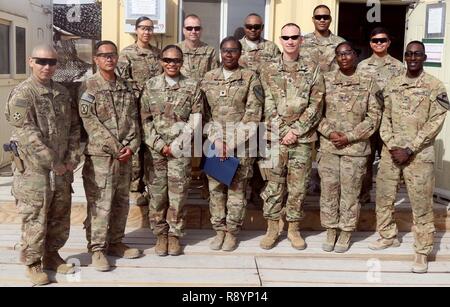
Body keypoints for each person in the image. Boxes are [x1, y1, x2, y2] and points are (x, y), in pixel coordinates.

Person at [369, 41, 448, 273]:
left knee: (421, 204)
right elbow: (384, 118)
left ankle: (422, 251)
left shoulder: (435, 86)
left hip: (419, 155)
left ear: (424, 57)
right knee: (384, 196)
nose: (413, 58)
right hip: (390, 153)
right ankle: (387, 235)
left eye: (417, 54)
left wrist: (410, 149)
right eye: (409, 54)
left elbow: (436, 121)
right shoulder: (393, 85)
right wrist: (393, 145)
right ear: (404, 57)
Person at [5, 44, 81, 285]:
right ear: (30, 62)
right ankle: (33, 263)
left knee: (60, 213)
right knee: (35, 215)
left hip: (61, 168)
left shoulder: (61, 92)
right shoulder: (22, 94)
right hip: (34, 170)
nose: (47, 67)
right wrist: (52, 161)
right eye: (41, 61)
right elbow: (26, 132)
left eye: (51, 62)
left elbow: (74, 126)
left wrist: (71, 159)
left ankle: (51, 255)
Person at [258, 23, 325, 250]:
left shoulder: (313, 69)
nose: (290, 41)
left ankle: (293, 229)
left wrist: (296, 130)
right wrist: (283, 131)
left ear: (301, 40)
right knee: (273, 185)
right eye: (285, 37)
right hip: (274, 138)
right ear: (280, 39)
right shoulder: (268, 69)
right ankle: (272, 228)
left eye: (294, 37)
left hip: (303, 139)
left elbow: (316, 103)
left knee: (298, 186)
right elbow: (265, 103)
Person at [80, 40, 141, 272]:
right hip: (101, 158)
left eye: (112, 55)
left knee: (121, 202)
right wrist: (115, 147)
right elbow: (89, 121)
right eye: (104, 55)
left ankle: (116, 241)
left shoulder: (125, 86)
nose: (109, 59)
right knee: (100, 203)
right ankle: (96, 248)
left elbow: (133, 120)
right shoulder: (88, 86)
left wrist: (132, 146)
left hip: (125, 156)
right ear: (96, 59)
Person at [318, 42, 382, 253]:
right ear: (335, 58)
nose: (344, 57)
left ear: (355, 55)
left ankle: (345, 231)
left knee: (350, 192)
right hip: (329, 147)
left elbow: (374, 117)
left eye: (348, 53)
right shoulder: (326, 81)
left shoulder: (368, 82)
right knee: (328, 191)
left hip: (354, 149)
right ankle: (330, 229)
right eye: (339, 54)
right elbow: (316, 113)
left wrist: (350, 136)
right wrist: (330, 132)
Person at [140, 45, 204, 256]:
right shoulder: (150, 86)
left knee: (178, 195)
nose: (171, 64)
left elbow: (196, 118)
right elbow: (144, 119)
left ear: (182, 62)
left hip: (180, 150)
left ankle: (175, 235)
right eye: (167, 60)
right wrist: (159, 144)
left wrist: (177, 145)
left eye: (176, 60)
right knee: (157, 195)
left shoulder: (192, 86)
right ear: (161, 61)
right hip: (155, 150)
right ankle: (160, 235)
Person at [201, 37, 263, 252]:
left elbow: (253, 114)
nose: (229, 54)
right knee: (216, 189)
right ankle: (219, 230)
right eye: (225, 50)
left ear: (240, 53)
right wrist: (217, 140)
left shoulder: (250, 78)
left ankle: (232, 233)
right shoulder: (208, 78)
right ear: (220, 52)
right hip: (215, 143)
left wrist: (232, 143)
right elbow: (203, 114)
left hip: (241, 145)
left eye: (233, 50)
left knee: (237, 191)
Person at [117, 16, 163, 206]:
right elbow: (122, 82)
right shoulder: (127, 54)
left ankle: (151, 188)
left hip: (154, 109)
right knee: (135, 150)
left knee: (152, 148)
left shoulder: (158, 54)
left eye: (150, 28)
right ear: (136, 30)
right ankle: (135, 188)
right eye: (143, 28)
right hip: (135, 108)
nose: (147, 32)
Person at [357, 27, 405, 204]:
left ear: (389, 42)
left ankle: (386, 198)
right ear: (370, 43)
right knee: (365, 161)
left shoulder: (399, 67)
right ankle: (363, 195)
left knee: (389, 162)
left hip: (389, 122)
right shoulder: (362, 66)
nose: (379, 43)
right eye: (375, 40)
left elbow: (402, 95)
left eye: (382, 40)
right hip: (368, 121)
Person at [302, 5, 345, 73]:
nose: (322, 20)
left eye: (325, 17)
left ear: (330, 19)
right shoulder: (302, 42)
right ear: (313, 19)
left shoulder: (341, 43)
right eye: (318, 17)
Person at [177, 14, 220, 80]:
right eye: (189, 28)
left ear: (201, 30)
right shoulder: (175, 50)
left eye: (197, 28)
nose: (193, 31)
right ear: (184, 30)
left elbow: (215, 75)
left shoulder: (210, 51)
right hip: (181, 89)